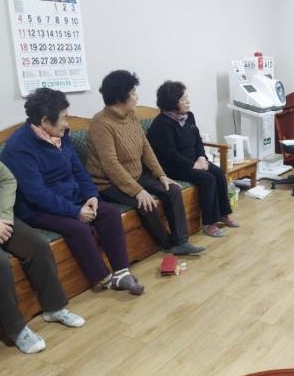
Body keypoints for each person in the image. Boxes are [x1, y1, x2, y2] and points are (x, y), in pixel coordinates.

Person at [0, 90, 83, 354]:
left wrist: (2, 217)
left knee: (38, 246)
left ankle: (54, 307)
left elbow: (7, 179)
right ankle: (16, 328)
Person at [1, 88, 144, 295]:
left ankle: (122, 273)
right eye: (64, 118)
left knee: (110, 213)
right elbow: (36, 193)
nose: (67, 124)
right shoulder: (19, 147)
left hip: (72, 197)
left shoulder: (61, 135)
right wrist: (75, 211)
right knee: (79, 228)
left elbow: (79, 170)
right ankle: (102, 278)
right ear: (44, 121)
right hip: (36, 209)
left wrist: (91, 196)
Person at [85, 70, 204, 256]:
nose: (137, 97)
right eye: (133, 92)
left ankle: (181, 241)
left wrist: (161, 175)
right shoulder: (101, 124)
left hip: (137, 174)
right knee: (145, 202)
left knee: (172, 189)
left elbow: (146, 147)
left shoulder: (130, 114)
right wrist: (138, 191)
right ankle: (166, 244)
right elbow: (111, 165)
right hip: (108, 183)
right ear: (119, 98)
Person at [147, 81, 238, 237]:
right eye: (183, 99)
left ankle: (224, 214)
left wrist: (202, 157)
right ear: (172, 103)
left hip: (194, 160)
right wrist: (193, 165)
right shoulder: (161, 124)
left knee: (218, 173)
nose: (188, 102)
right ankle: (209, 223)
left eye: (187, 98)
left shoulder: (189, 116)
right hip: (173, 166)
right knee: (208, 179)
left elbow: (198, 141)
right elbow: (169, 154)